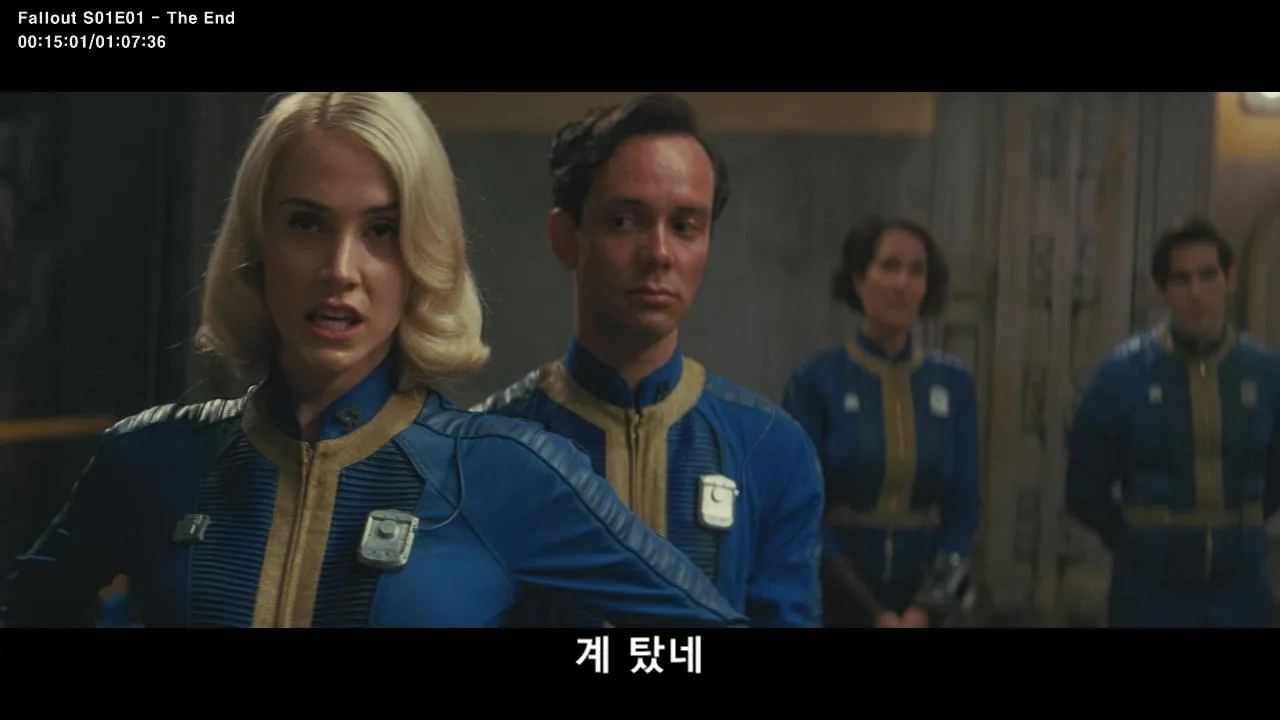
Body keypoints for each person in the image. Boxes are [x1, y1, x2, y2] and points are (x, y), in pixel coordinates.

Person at [0, 92, 748, 628]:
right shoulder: (150, 458)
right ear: (257, 246)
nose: (340, 270)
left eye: (382, 230)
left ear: (424, 253)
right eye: (306, 224)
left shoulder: (506, 473)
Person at [475, 94, 824, 627]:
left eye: (685, 226)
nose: (659, 252)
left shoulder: (771, 450)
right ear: (566, 238)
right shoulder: (486, 448)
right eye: (624, 221)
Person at [1067, 217, 1280, 627]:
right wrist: (1136, 541)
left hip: (1241, 587)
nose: (1195, 292)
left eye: (1208, 275)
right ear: (1162, 290)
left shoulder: (1266, 373)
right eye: (1181, 279)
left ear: (1230, 279)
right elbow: (1083, 486)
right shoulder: (1122, 374)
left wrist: (1241, 529)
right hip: (1150, 591)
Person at [782, 215, 981, 628]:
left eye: (916, 271)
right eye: (890, 266)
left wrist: (926, 608)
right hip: (837, 593)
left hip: (923, 596)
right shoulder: (817, 379)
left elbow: (963, 510)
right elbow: (801, 509)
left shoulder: (953, 383)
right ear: (859, 278)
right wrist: (873, 614)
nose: (902, 284)